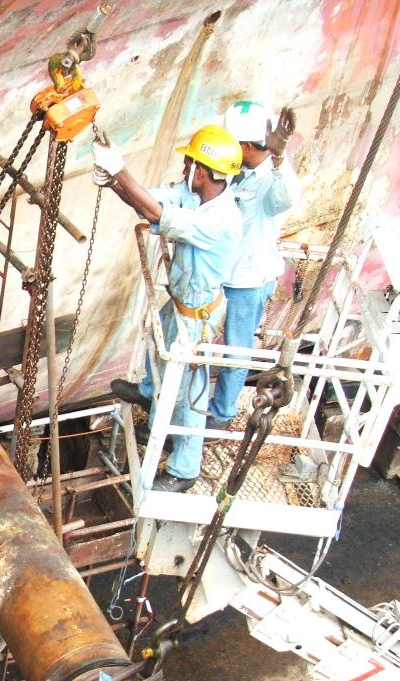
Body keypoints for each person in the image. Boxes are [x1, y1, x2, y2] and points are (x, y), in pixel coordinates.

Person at [94, 124, 243, 492]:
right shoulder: (193, 196)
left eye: (190, 163)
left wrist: (119, 170)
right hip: (180, 305)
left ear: (204, 171)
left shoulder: (221, 220)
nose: (185, 167)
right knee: (156, 354)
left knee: (190, 394)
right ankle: (151, 396)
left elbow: (159, 213)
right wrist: (114, 184)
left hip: (198, 318)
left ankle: (184, 469)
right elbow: (148, 201)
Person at [209, 100, 301, 430]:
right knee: (196, 337)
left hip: (248, 279)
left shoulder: (270, 179)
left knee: (237, 349)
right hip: (223, 272)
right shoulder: (239, 171)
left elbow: (287, 197)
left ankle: (221, 415)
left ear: (246, 146)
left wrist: (280, 158)